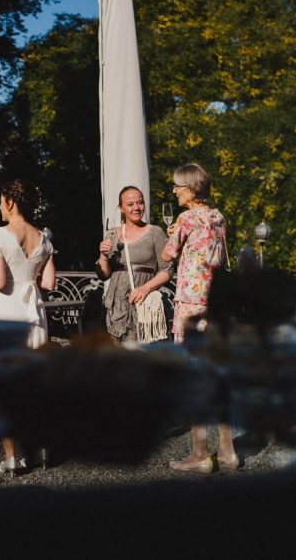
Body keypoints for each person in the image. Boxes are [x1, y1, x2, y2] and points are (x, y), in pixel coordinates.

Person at [0, 179, 55, 474]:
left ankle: (11, 457)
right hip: (34, 312)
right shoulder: (42, 237)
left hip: (5, 312)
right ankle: (41, 450)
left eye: (1, 200)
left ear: (10, 201)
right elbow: (49, 283)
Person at [161, 163, 238, 474]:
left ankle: (200, 454)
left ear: (191, 190)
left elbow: (168, 255)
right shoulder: (218, 217)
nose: (175, 190)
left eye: (178, 186)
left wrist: (172, 237)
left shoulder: (186, 218)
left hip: (191, 305)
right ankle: (229, 452)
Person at [95, 186, 172, 345]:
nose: (136, 208)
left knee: (141, 357)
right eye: (130, 204)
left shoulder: (155, 232)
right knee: (116, 358)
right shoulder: (111, 234)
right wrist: (103, 255)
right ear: (121, 208)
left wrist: (145, 288)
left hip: (142, 304)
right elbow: (103, 274)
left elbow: (168, 270)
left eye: (140, 203)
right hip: (116, 307)